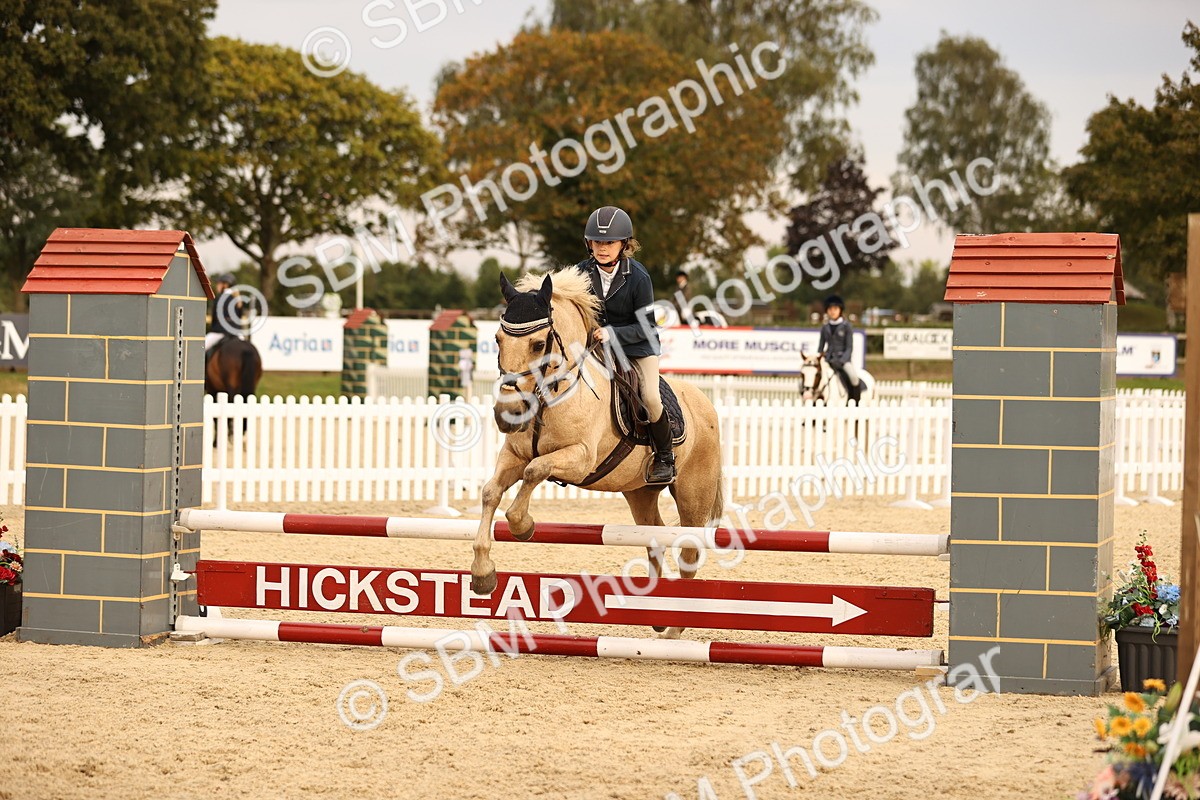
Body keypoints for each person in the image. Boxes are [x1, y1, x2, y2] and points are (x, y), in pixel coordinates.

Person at [576, 205, 675, 484]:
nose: (602, 248)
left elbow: (647, 327)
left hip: (638, 347)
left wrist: (612, 333)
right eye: (597, 242)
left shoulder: (639, 277)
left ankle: (665, 457)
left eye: (609, 242)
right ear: (589, 244)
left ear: (624, 244)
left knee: (651, 397)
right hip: (597, 348)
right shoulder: (580, 272)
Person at [817, 294, 863, 404]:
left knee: (853, 378)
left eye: (835, 309)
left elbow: (849, 347)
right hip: (828, 360)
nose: (832, 312)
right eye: (830, 309)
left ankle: (855, 402)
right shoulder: (825, 327)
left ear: (840, 310)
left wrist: (842, 360)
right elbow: (821, 346)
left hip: (843, 360)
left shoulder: (847, 326)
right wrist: (820, 359)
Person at [205, 273, 245, 355]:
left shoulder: (219, 297)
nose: (217, 286)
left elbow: (215, 318)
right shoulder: (238, 299)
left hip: (219, 331)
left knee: (200, 347)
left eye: (219, 283)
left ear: (225, 285)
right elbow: (239, 317)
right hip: (236, 332)